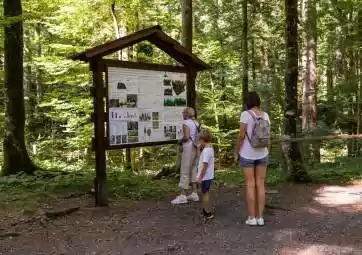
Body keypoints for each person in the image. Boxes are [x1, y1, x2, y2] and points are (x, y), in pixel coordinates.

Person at [236, 91, 270, 226]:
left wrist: (236, 151)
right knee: (261, 185)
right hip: (263, 153)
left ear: (247, 102)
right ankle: (260, 217)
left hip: (247, 154)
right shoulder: (265, 115)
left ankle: (251, 218)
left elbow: (241, 136)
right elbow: (268, 136)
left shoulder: (245, 114)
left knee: (250, 185)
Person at [171, 107, 200, 204]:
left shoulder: (186, 123)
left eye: (183, 112)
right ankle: (194, 193)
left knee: (184, 170)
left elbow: (187, 137)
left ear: (187, 114)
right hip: (196, 148)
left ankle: (183, 195)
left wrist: (180, 141)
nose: (182, 114)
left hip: (188, 148)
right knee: (193, 170)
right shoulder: (196, 123)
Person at [196, 129, 215, 219]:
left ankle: (207, 211)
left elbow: (205, 165)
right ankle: (205, 209)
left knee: (205, 193)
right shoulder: (209, 148)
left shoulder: (207, 151)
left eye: (200, 140)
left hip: (205, 176)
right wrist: (198, 149)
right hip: (207, 176)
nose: (199, 142)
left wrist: (200, 177)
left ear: (203, 140)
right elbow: (200, 158)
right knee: (205, 193)